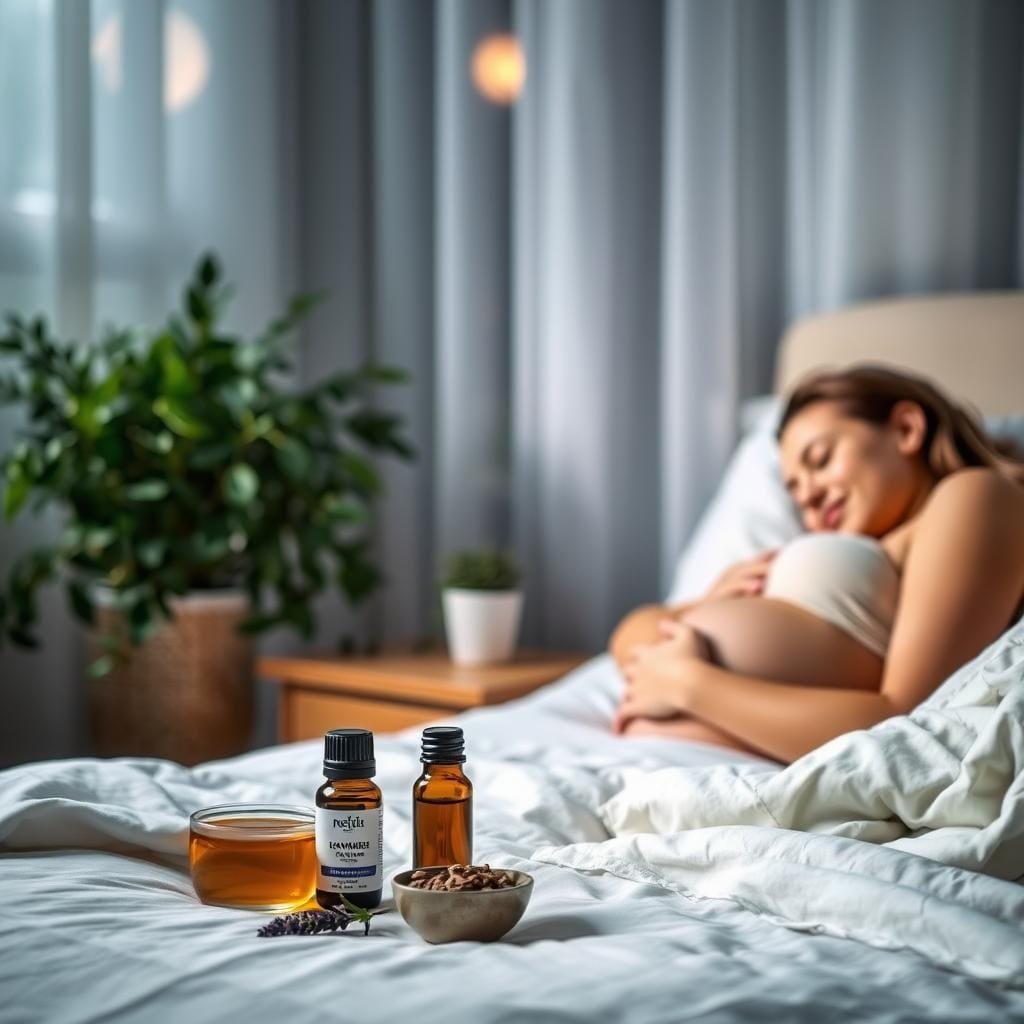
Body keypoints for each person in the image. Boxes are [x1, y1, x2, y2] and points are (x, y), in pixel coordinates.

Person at [610, 365, 1024, 764]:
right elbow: (631, 637)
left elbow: (908, 722)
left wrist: (691, 686)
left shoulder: (974, 496)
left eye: (821, 459)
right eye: (793, 490)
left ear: (906, 429)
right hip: (685, 770)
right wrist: (699, 608)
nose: (806, 495)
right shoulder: (862, 552)